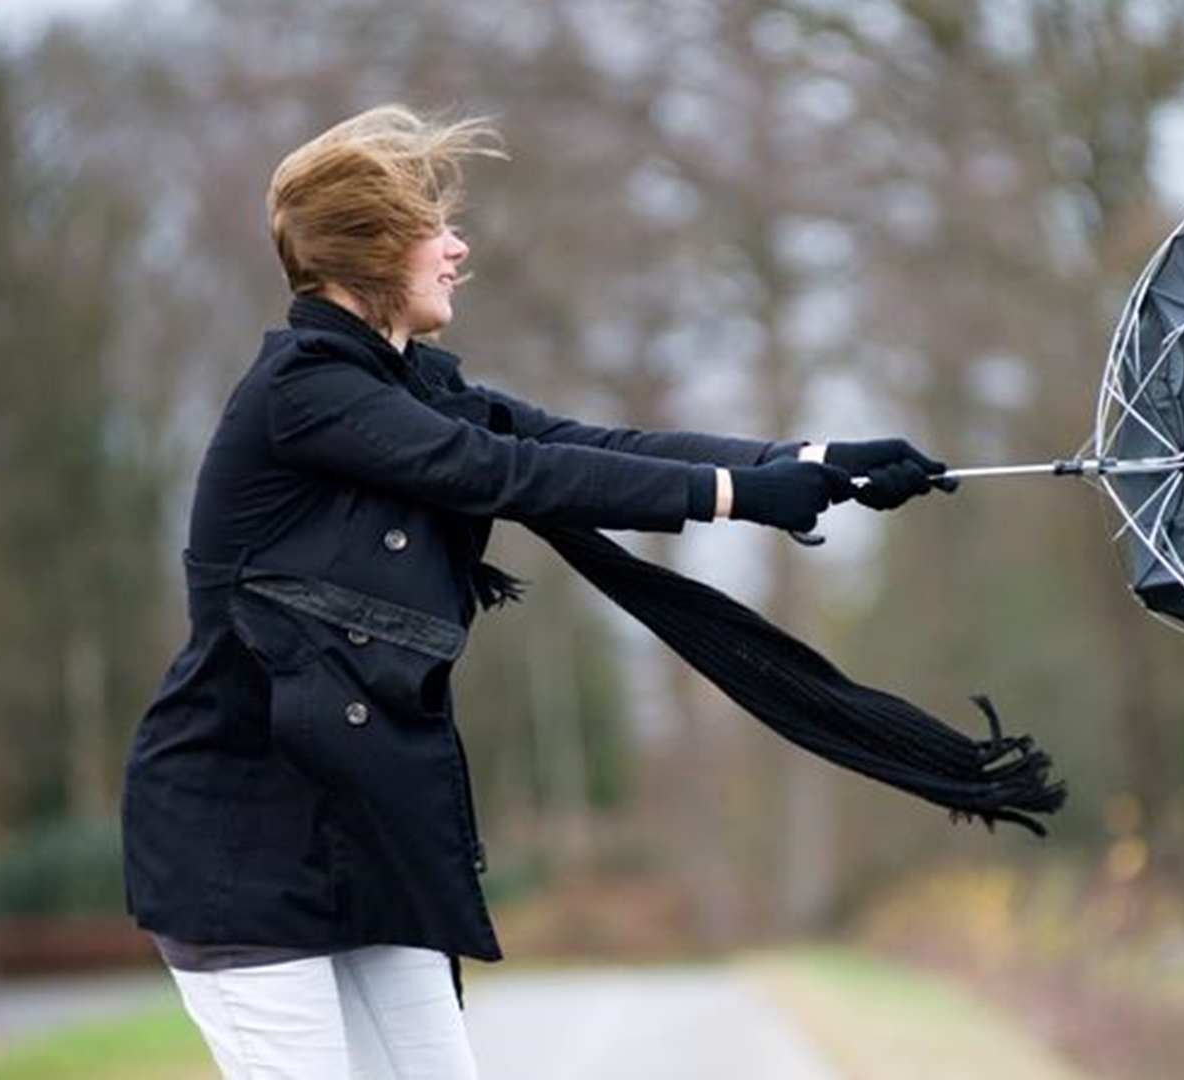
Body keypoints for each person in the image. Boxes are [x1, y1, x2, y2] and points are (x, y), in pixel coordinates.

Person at [119, 103, 952, 1079]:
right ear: (373, 248)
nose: (458, 247)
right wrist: (737, 497)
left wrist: (809, 460)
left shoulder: (407, 386)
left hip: (363, 829)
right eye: (434, 228)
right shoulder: (304, 392)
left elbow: (576, 445)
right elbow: (502, 474)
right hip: (241, 842)